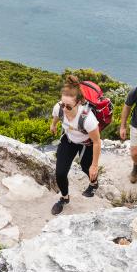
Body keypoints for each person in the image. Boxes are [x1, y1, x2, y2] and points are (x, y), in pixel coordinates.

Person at [48, 75, 101, 215]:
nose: (64, 109)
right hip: (69, 140)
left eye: (68, 106)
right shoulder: (59, 108)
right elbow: (56, 115)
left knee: (87, 167)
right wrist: (53, 125)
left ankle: (94, 184)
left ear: (78, 103)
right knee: (60, 172)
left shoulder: (88, 118)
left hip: (86, 143)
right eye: (62, 104)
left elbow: (97, 141)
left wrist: (94, 165)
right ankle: (64, 198)